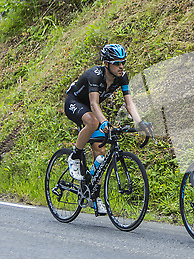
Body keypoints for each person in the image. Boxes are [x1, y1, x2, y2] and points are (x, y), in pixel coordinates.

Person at [64, 44, 151, 215]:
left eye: (123, 63)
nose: (121, 66)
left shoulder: (122, 77)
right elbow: (93, 104)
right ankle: (75, 155)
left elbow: (129, 103)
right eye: (117, 63)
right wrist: (104, 122)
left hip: (91, 109)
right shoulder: (95, 76)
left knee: (100, 155)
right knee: (93, 121)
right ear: (106, 63)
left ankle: (94, 195)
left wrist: (139, 122)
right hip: (74, 102)